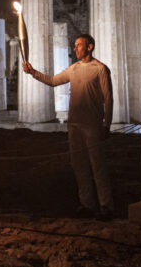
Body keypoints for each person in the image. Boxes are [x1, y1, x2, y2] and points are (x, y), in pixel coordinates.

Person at [22, 34, 114, 220]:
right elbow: (53, 81)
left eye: (79, 45)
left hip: (92, 125)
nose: (75, 48)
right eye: (74, 45)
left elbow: (108, 98)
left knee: (98, 167)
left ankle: (106, 207)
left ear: (90, 47)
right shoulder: (74, 68)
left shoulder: (100, 69)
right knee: (79, 167)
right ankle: (87, 204)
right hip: (74, 125)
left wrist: (107, 124)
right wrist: (33, 72)